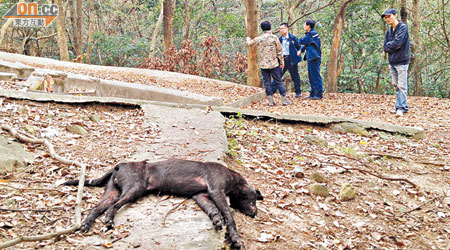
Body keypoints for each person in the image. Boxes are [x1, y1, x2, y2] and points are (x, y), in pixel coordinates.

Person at [246, 21, 291, 106]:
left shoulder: (259, 38)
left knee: (267, 81)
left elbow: (250, 44)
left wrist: (248, 39)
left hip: (263, 64)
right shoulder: (275, 38)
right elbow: (279, 51)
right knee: (278, 81)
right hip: (274, 64)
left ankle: (270, 101)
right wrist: (282, 62)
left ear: (262, 29)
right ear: (270, 28)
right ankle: (284, 100)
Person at [382, 8, 410, 117]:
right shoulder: (389, 32)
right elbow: (385, 46)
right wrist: (390, 46)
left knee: (402, 85)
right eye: (386, 17)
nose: (387, 19)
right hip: (392, 61)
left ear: (395, 15)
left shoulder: (403, 28)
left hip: (402, 62)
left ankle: (400, 108)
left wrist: (390, 46)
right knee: (396, 86)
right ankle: (403, 105)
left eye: (389, 16)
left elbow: (397, 43)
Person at [298, 19, 323, 100]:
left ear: (308, 26)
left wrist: (296, 40)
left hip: (314, 57)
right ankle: (313, 93)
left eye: (304, 25)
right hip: (311, 57)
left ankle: (318, 94)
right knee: (311, 76)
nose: (303, 26)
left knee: (315, 75)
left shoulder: (312, 34)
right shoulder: (311, 34)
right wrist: (301, 50)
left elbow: (302, 41)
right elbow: (307, 44)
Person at [278, 23, 302, 98]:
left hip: (291, 59)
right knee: (278, 75)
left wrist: (297, 54)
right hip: (283, 60)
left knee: (295, 76)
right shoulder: (279, 39)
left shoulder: (293, 38)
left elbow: (299, 47)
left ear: (287, 29)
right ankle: (271, 91)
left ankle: (298, 92)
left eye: (283, 28)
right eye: (280, 29)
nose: (281, 30)